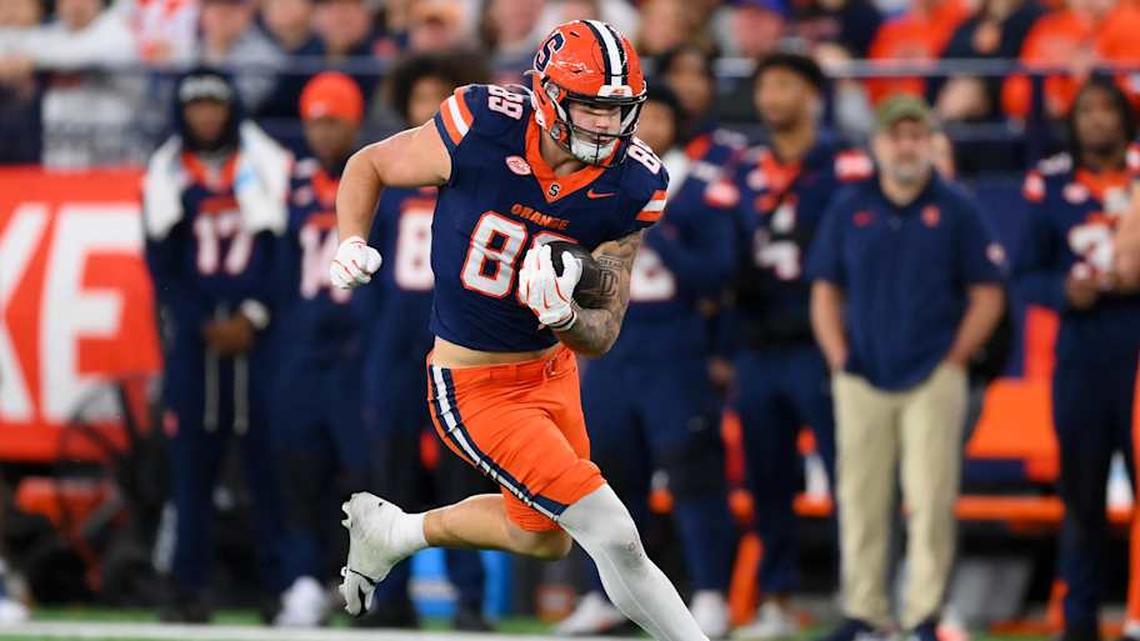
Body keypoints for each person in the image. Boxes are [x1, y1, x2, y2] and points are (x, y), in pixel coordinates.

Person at [330, 20, 715, 641]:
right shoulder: (481, 125)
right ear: (547, 96)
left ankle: (396, 533)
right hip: (475, 387)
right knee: (612, 533)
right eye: (590, 108)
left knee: (542, 541)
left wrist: (567, 313)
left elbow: (605, 325)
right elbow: (368, 164)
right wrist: (351, 239)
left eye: (618, 111)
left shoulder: (634, 182)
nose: (605, 126)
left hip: (552, 371)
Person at [807, 95, 1006, 641]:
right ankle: (865, 610)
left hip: (932, 374)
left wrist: (954, 357)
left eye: (917, 135)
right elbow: (824, 290)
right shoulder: (850, 206)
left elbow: (988, 293)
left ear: (931, 143)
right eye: (897, 135)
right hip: (863, 373)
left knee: (932, 498)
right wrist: (840, 360)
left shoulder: (957, 207)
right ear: (877, 144)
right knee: (861, 497)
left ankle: (925, 613)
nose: (906, 145)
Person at [554, 85, 739, 639]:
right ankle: (605, 595)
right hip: (614, 345)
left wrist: (660, 231)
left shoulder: (700, 187)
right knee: (605, 475)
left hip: (675, 345)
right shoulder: (599, 183)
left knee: (691, 472)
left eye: (658, 116)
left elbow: (719, 275)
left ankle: (709, 592)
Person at [716, 53, 871, 640]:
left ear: (811, 94)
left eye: (784, 84)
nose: (772, 97)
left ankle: (863, 596)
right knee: (767, 480)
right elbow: (728, 263)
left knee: (849, 474)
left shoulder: (846, 165)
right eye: (764, 86)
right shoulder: (744, 171)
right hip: (759, 345)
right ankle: (778, 600)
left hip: (824, 343)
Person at [143, 67, 292, 623]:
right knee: (192, 468)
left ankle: (276, 588)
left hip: (258, 333)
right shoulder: (165, 172)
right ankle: (187, 588)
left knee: (263, 465)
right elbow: (160, 264)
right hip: (196, 335)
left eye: (215, 105)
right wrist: (199, 320)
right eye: (196, 106)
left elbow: (283, 251)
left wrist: (253, 314)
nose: (206, 116)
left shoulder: (265, 162)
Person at [358, 52, 495, 632]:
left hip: (459, 339)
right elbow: (368, 265)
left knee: (462, 474)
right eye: (421, 98)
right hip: (395, 342)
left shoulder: (482, 175)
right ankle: (387, 599)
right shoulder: (392, 175)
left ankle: (468, 600)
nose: (428, 110)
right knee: (390, 472)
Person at [1015, 77, 1140, 641]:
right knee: (1082, 497)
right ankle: (1080, 622)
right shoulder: (1049, 184)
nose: (1096, 120)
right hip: (1084, 353)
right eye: (1085, 110)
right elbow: (1024, 274)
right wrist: (1065, 290)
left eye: (1107, 109)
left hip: (1137, 344)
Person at [271, 72, 371, 628]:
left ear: (354, 121)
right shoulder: (293, 182)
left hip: (356, 345)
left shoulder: (379, 175)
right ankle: (305, 578)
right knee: (299, 468)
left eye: (333, 120)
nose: (323, 132)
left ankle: (359, 581)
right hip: (304, 345)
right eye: (315, 121)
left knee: (361, 473)